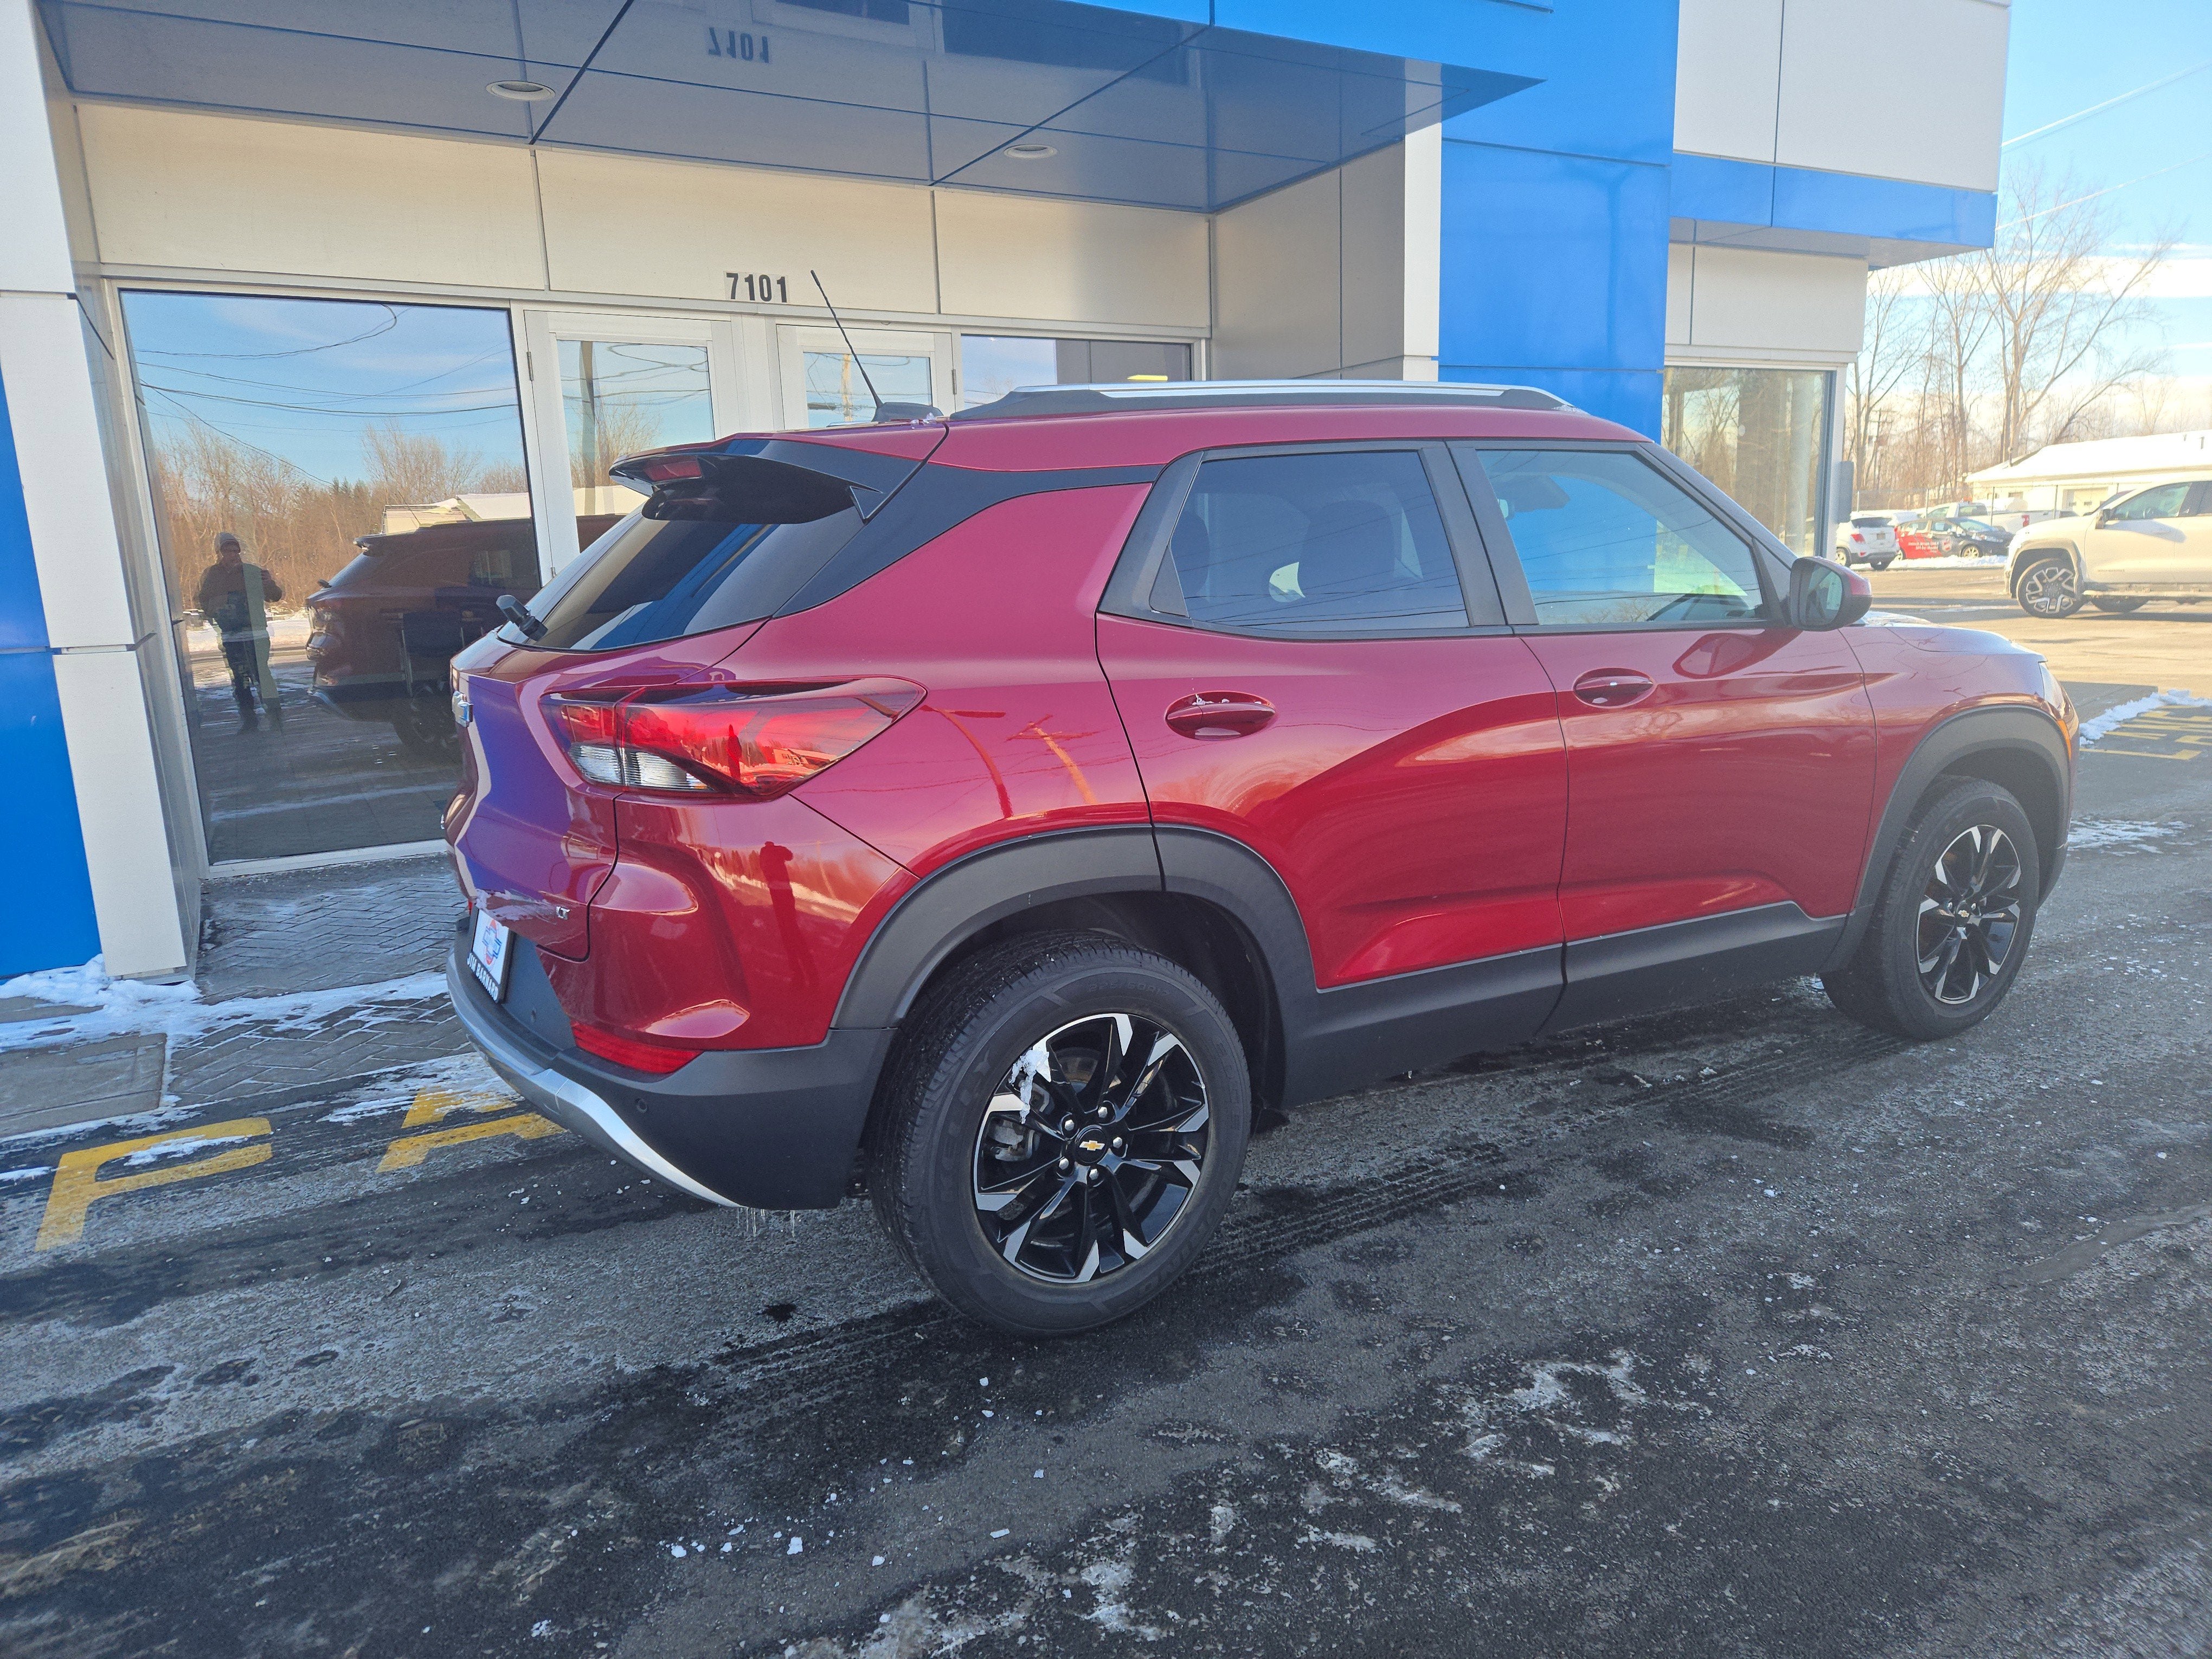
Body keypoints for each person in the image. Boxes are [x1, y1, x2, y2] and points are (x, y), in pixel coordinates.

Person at [195, 532, 284, 731]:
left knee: (262, 676)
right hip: (231, 635)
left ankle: (276, 718)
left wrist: (268, 583)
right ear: (219, 553)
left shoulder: (252, 571)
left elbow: (275, 597)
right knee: (240, 680)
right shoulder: (211, 575)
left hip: (257, 634)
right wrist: (219, 606)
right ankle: (249, 721)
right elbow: (203, 602)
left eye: (235, 550)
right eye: (227, 551)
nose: (232, 555)